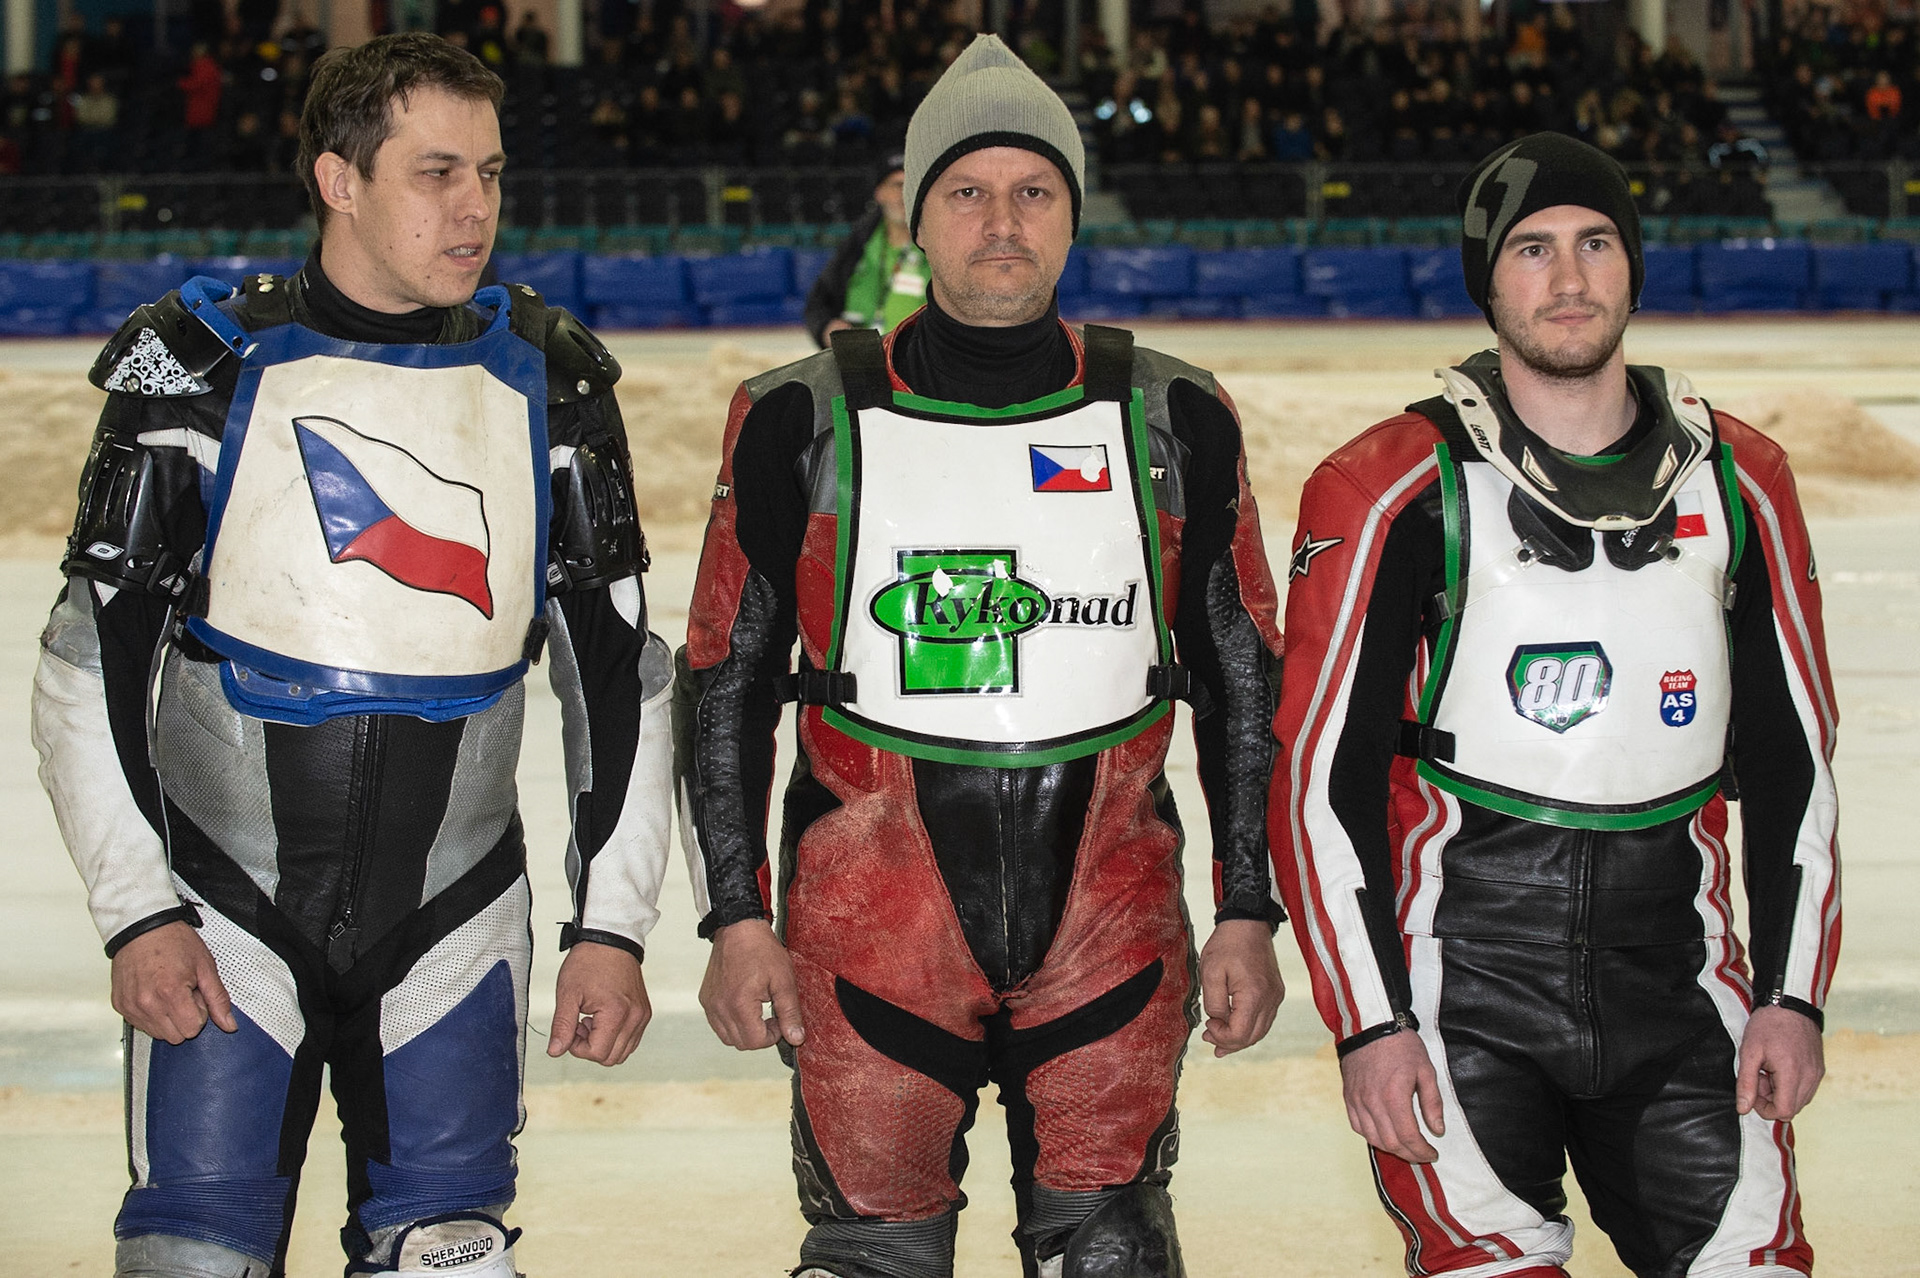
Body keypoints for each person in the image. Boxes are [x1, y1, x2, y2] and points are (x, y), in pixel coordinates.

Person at [31, 33, 672, 1278]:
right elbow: (85, 666)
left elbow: (621, 675)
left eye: (490, 171)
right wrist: (136, 917)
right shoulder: (198, 371)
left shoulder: (553, 383)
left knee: (454, 1259)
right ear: (340, 181)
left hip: (456, 917)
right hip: (219, 917)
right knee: (191, 1258)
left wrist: (619, 929)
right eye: (437, 172)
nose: (475, 205)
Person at [676, 35, 1287, 1278]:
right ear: (916, 213)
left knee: (1114, 1254)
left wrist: (1247, 906)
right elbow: (726, 677)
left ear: (1072, 215)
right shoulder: (798, 418)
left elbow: (1240, 671)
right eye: (968, 191)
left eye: (1033, 191)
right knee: (870, 1256)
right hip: (869, 933)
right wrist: (734, 913)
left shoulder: (1173, 415)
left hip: (1112, 927)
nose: (1000, 221)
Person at [1272, 132, 1840, 1278]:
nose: (1568, 279)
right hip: (1460, 982)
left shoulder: (1744, 481)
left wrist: (1792, 997)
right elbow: (1319, 778)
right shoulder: (1388, 483)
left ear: (1635, 265)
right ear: (1487, 278)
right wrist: (1371, 1022)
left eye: (1595, 244)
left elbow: (1794, 763)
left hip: (1684, 979)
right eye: (1531, 250)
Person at [802, 152, 930, 348]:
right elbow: (818, 302)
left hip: (915, 363)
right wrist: (826, 328)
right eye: (897, 185)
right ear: (879, 193)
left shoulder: (938, 247)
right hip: (859, 363)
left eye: (911, 186)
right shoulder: (858, 243)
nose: (904, 194)